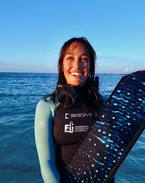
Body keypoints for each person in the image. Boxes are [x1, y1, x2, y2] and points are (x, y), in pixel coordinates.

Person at [34, 37, 111, 182]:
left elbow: (113, 153)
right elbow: (46, 164)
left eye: (84, 59)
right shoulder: (47, 106)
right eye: (70, 58)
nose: (77, 65)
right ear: (61, 66)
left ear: (90, 66)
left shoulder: (105, 103)